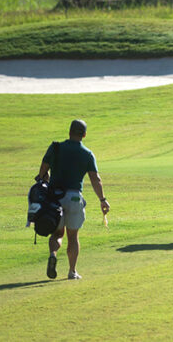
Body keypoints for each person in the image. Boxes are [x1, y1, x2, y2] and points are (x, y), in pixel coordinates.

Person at [37, 119, 109, 280]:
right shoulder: (87, 154)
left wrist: (44, 177)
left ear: (69, 132)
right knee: (73, 236)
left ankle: (53, 254)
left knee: (57, 234)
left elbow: (43, 169)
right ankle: (72, 271)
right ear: (84, 134)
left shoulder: (55, 148)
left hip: (54, 197)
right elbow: (95, 178)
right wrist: (102, 199)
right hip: (74, 197)